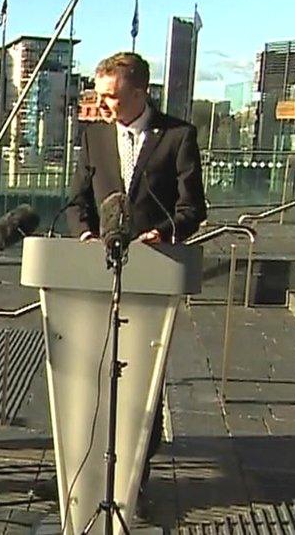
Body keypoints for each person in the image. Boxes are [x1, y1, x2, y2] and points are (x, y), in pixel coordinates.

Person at [66, 52, 207, 493]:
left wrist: (163, 234)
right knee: (96, 369)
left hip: (151, 271)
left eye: (112, 96)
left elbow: (192, 208)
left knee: (142, 372)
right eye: (100, 95)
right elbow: (76, 202)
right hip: (98, 272)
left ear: (141, 91)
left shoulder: (179, 136)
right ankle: (91, 471)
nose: (103, 104)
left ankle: (133, 480)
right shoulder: (93, 138)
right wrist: (85, 235)